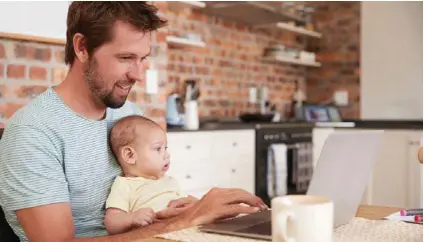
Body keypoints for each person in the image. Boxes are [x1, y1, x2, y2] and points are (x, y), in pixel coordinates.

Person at [0, 2, 266, 242]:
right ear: (82, 47)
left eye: (143, 58)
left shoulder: (128, 114)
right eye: (126, 58)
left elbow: (147, 196)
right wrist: (186, 221)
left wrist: (189, 209)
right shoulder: (32, 133)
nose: (138, 74)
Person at [104, 115, 196, 235]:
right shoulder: (125, 185)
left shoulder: (169, 181)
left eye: (165, 148)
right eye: (158, 149)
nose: (167, 154)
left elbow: (187, 203)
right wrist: (131, 218)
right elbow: (111, 222)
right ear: (130, 155)